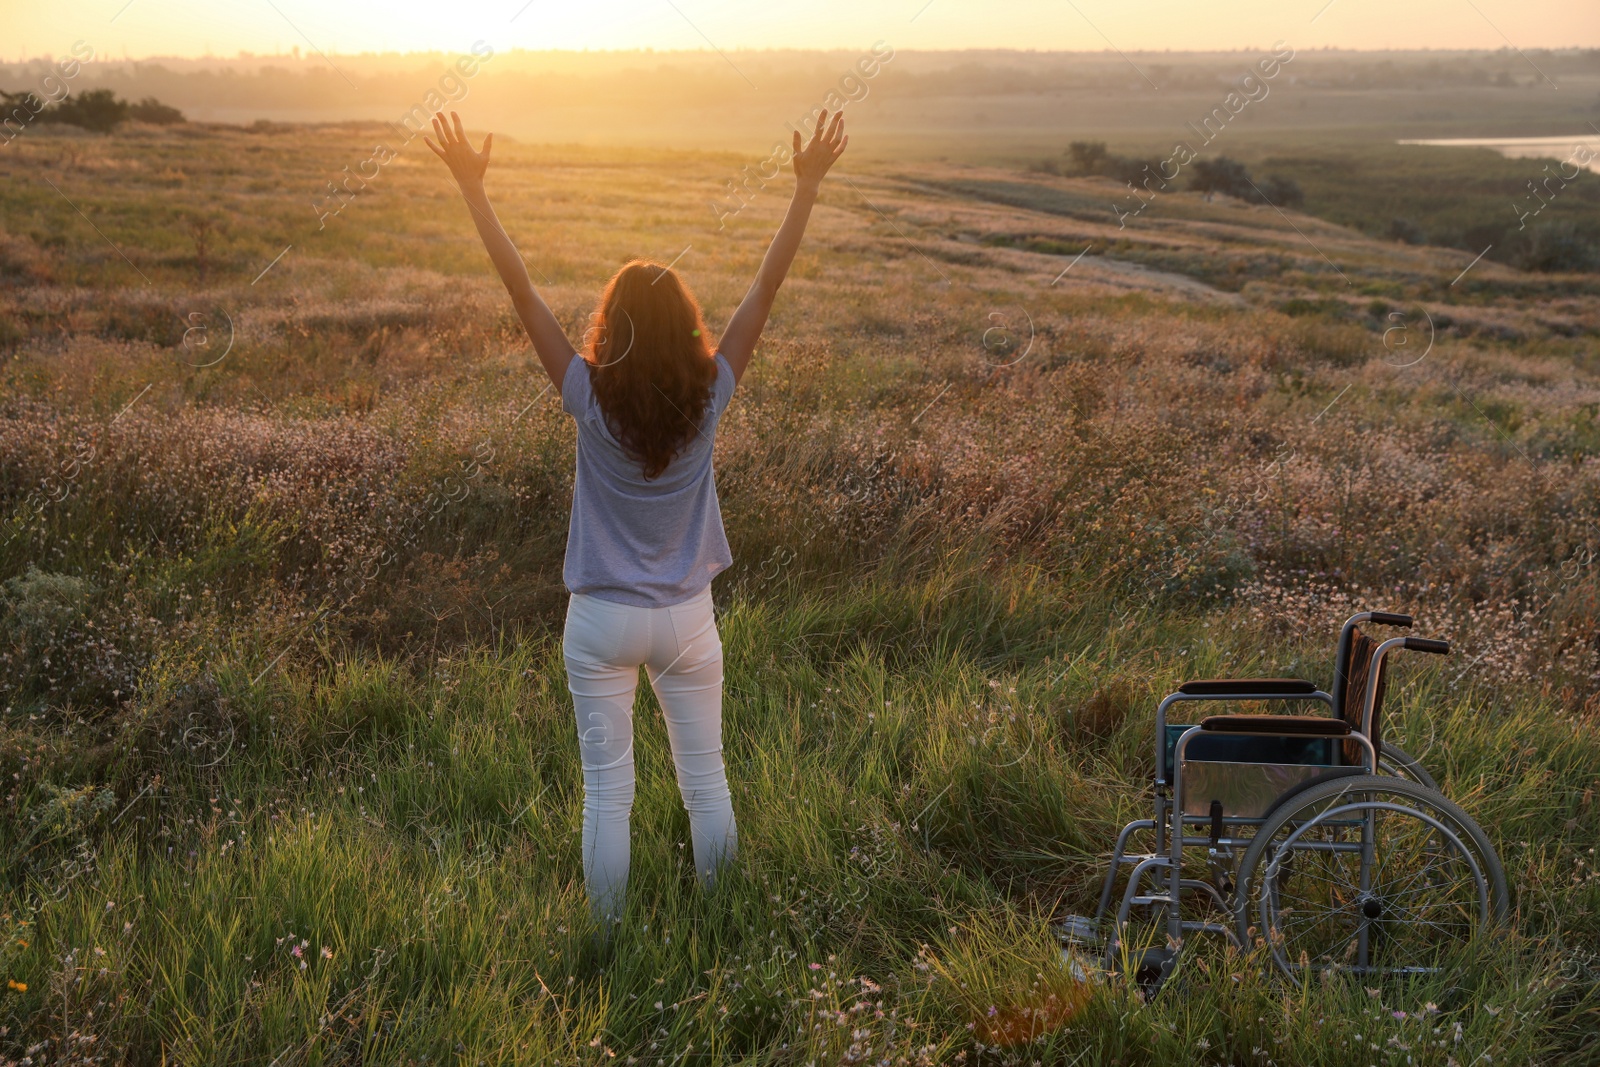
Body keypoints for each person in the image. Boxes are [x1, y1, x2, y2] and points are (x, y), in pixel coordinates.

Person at [426, 108, 848, 930]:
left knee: (606, 795)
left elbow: (521, 291)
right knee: (707, 783)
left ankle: (607, 944)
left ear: (609, 329)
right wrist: (805, 189)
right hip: (687, 620)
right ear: (687, 325)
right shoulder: (710, 394)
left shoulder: (586, 395)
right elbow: (766, 289)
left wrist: (474, 191)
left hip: (600, 622)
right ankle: (724, 930)